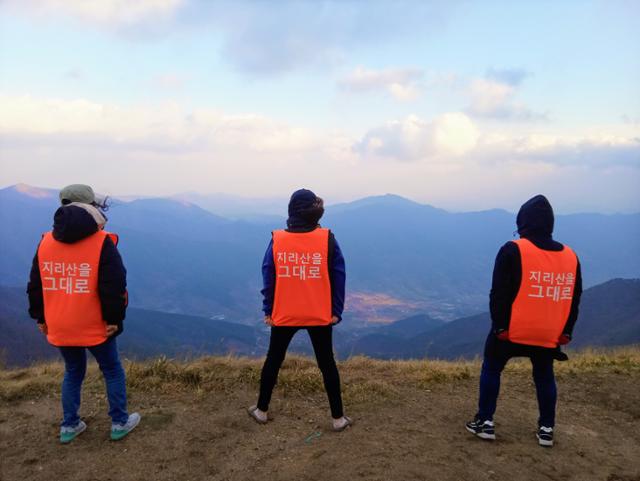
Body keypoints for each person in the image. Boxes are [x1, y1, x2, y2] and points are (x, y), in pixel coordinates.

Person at [27, 184, 140, 443]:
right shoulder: (102, 242)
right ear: (92, 207)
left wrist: (40, 317)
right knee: (111, 369)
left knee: (73, 370)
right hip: (95, 323)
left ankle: (69, 425)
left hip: (60, 322)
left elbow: (36, 284)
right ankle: (119, 422)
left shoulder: (45, 242)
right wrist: (115, 319)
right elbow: (114, 284)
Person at [465, 194, 582, 447]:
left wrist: (500, 326)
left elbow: (499, 292)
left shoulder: (513, 249)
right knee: (544, 375)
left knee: (492, 367)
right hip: (548, 333)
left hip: (513, 330)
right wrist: (567, 332)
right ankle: (546, 429)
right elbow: (574, 297)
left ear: (522, 222)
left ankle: (485, 421)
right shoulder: (571, 257)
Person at [248, 189, 353, 431]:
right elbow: (339, 275)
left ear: (291, 211)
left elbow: (269, 276)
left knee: (273, 360)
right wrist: (336, 309)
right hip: (319, 313)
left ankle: (261, 411)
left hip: (285, 312)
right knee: (327, 364)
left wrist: (269, 309)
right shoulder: (327, 239)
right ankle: (338, 419)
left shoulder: (278, 240)